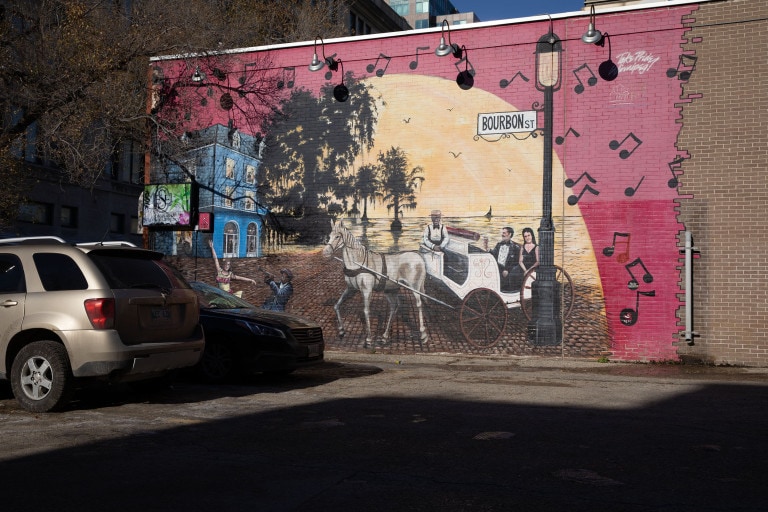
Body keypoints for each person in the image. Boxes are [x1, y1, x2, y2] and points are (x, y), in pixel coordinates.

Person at [489, 226, 521, 292]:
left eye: (504, 233)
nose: (502, 234)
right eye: (502, 233)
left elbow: (517, 262)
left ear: (509, 234)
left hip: (508, 271)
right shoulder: (499, 245)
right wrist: (487, 248)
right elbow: (494, 255)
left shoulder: (515, 247)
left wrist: (508, 270)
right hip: (497, 268)